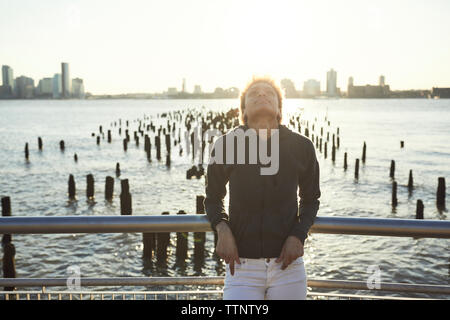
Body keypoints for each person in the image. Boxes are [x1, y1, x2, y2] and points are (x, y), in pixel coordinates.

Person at [204, 76, 321, 300]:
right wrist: (222, 227)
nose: (261, 94)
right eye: (253, 93)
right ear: (244, 111)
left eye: (269, 93)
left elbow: (310, 199)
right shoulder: (226, 144)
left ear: (279, 109)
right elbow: (212, 198)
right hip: (241, 266)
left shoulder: (302, 147)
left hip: (288, 266)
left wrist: (298, 236)